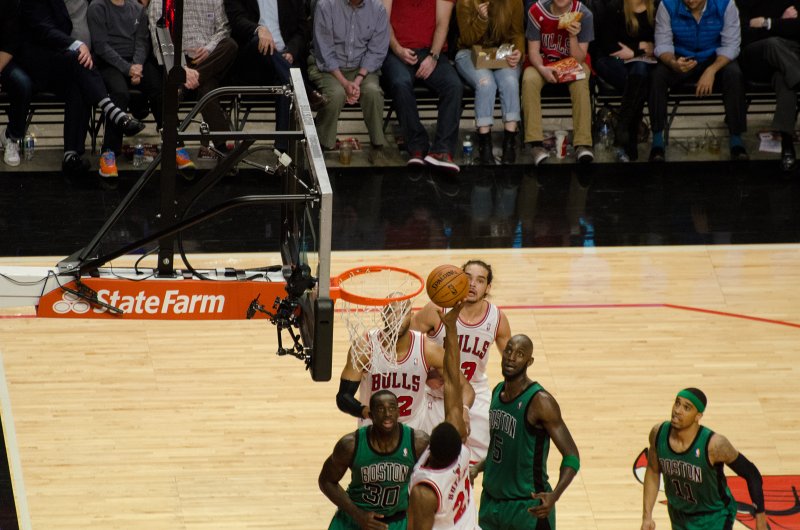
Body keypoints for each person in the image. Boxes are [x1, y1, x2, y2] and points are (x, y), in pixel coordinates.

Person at [16, 0, 146, 177]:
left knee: (80, 82)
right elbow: (43, 29)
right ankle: (113, 112)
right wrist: (76, 44)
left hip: (74, 65)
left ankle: (71, 154)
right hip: (42, 62)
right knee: (79, 61)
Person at [471, 334, 580, 530]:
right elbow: (500, 451)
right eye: (509, 350)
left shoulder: (540, 401)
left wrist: (555, 495)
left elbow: (572, 456)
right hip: (491, 505)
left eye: (520, 354)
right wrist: (477, 468)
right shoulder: (497, 392)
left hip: (527, 509)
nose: (511, 357)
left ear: (529, 361)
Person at [410, 259, 512, 465]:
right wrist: (426, 374)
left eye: (480, 280)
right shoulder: (436, 310)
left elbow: (512, 363)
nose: (473, 284)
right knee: (428, 458)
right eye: (468, 278)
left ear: (488, 287)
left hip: (475, 393)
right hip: (436, 393)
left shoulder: (496, 319)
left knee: (492, 459)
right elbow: (406, 344)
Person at [336, 301, 474, 432]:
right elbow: (343, 397)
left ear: (411, 315)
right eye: (391, 312)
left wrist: (464, 410)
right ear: (383, 315)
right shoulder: (365, 348)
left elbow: (465, 387)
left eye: (403, 312)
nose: (396, 318)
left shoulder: (428, 350)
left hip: (414, 430)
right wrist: (367, 412)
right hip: (374, 428)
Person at [641, 388, 767, 530]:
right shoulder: (658, 434)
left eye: (686, 408)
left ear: (698, 416)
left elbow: (752, 474)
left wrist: (760, 517)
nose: (677, 410)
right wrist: (647, 517)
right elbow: (653, 471)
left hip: (714, 516)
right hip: (679, 515)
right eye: (677, 403)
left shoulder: (714, 445)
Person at [407, 301, 479, 530]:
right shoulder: (463, 453)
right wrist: (451, 328)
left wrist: (451, 328)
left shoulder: (425, 490)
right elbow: (452, 378)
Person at [648, 0, 748, 162]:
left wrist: (711, 70)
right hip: (681, 57)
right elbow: (663, 43)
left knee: (734, 73)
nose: (689, 0)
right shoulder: (667, 5)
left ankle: (736, 139)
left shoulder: (725, 5)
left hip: (714, 57)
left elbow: (731, 46)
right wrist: (673, 63)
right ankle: (658, 140)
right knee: (657, 75)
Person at [224, 0, 328, 151]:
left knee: (285, 83)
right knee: (259, 42)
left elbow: (302, 30)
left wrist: (291, 51)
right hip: (252, 65)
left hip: (284, 60)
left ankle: (281, 150)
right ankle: (306, 90)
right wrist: (259, 29)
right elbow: (236, 20)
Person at [319, 389, 430, 530]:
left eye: (392, 408)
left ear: (399, 412)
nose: (387, 414)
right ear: (371, 415)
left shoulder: (418, 442)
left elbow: (434, 480)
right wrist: (357, 514)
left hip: (396, 522)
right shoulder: (350, 445)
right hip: (353, 520)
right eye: (380, 409)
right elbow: (326, 481)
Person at [148, 0, 238, 167]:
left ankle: (183, 85)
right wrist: (181, 68)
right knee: (207, 89)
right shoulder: (160, 2)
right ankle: (222, 148)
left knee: (230, 45)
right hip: (176, 60)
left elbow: (224, 29)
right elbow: (158, 42)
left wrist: (209, 49)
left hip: (208, 58)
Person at [382, 0, 464, 172]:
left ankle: (442, 150)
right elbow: (383, 20)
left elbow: (443, 23)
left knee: (453, 85)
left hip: (431, 51)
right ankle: (417, 146)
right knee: (400, 83)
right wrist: (398, 49)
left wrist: (433, 57)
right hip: (397, 50)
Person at [309, 0, 390, 164]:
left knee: (373, 92)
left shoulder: (378, 9)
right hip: (329, 67)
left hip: (362, 68)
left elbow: (377, 50)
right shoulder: (325, 5)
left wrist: (357, 80)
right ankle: (322, 144)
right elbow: (325, 51)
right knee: (336, 95)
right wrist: (345, 83)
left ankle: (377, 146)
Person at [89, 0, 162, 176]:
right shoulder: (97, 7)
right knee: (119, 93)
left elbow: (142, 42)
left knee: (159, 87)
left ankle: (174, 143)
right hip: (108, 63)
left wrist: (137, 66)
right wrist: (127, 68)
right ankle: (109, 151)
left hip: (136, 63)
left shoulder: (138, 9)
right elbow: (101, 46)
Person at [522, 0, 596, 166]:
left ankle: (583, 144)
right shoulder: (536, 11)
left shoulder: (584, 14)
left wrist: (572, 36)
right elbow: (533, 51)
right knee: (529, 79)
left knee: (581, 79)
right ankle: (535, 144)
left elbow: (579, 59)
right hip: (544, 62)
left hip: (571, 62)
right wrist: (542, 69)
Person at [455, 0, 525, 165]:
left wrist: (518, 52)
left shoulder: (514, 2)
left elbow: (518, 33)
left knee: (510, 82)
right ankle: (484, 145)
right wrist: (481, 19)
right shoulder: (465, 2)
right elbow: (466, 38)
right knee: (486, 83)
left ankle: (509, 143)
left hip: (502, 53)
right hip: (469, 53)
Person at [737, 0, 800, 171]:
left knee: (785, 81)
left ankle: (787, 145)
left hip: (787, 61)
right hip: (757, 58)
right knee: (773, 43)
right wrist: (782, 23)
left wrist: (768, 23)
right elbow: (743, 34)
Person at [593, 0, 658, 162]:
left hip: (640, 63)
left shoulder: (656, 7)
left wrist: (636, 51)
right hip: (611, 60)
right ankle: (630, 137)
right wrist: (638, 48)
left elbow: (661, 42)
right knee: (639, 83)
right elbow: (607, 44)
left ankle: (623, 129)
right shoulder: (615, 7)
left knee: (640, 71)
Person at [0, 0, 32, 167]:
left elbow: (11, 43)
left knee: (23, 84)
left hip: (5, 59)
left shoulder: (10, 3)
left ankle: (11, 137)